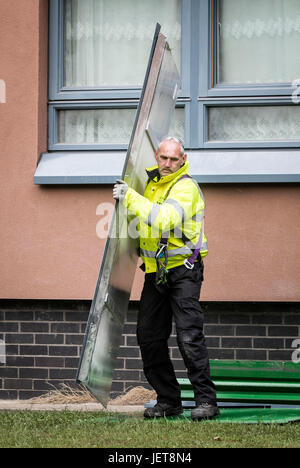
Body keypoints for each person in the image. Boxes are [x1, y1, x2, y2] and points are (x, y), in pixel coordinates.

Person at [113, 136, 219, 421]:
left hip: (184, 271)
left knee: (188, 336)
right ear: (157, 158)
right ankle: (169, 400)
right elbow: (142, 226)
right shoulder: (150, 185)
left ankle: (207, 401)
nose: (168, 163)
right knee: (148, 337)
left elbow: (162, 219)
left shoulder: (186, 187)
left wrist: (129, 196)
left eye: (174, 159)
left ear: (183, 160)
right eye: (163, 158)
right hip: (156, 272)